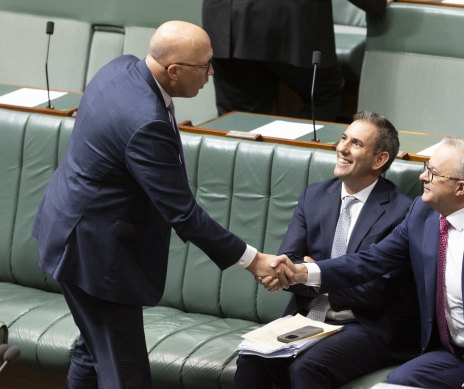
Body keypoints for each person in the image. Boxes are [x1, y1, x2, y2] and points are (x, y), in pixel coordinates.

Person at [32, 21, 283, 389]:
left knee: (93, 352)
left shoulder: (121, 68)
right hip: (97, 257)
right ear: (174, 71)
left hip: (72, 231)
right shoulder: (145, 122)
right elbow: (182, 213)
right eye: (204, 66)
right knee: (126, 375)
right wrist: (254, 260)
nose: (211, 74)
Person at [273, 137, 464, 389]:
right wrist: (304, 272)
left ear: (461, 188)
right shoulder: (422, 214)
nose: (422, 177)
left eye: (433, 172)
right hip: (451, 354)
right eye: (425, 168)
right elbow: (371, 261)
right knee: (393, 386)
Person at [235, 112, 419, 388]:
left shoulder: (401, 211)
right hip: (308, 317)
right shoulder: (315, 196)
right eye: (343, 138)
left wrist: (312, 273)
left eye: (356, 143)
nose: (342, 148)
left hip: (367, 325)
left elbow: (375, 289)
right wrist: (300, 272)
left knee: (308, 368)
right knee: (252, 358)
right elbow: (290, 261)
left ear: (379, 160)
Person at [202, 0, 389, 121]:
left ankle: (240, 178)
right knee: (323, 92)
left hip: (225, 17)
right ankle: (299, 161)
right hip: (289, 18)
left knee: (241, 120)